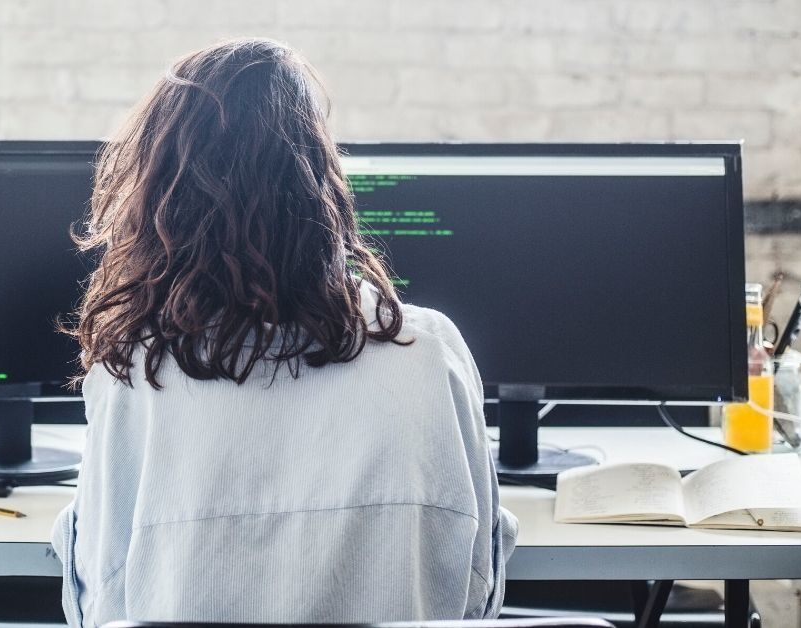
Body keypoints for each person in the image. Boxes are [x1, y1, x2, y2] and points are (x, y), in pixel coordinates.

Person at [53, 37, 516, 628]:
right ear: (322, 183)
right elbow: (477, 594)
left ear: (162, 198)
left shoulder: (136, 370)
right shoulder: (428, 350)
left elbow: (99, 607)